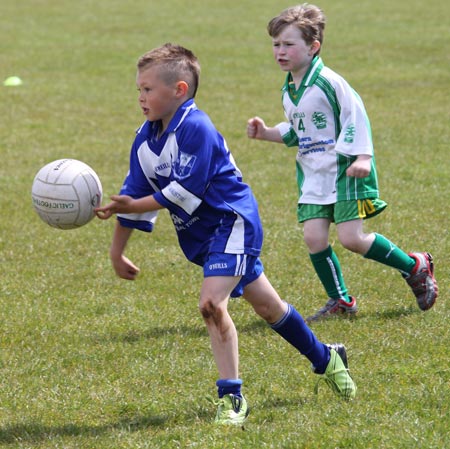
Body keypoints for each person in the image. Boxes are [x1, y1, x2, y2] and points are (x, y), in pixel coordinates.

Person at [95, 43, 356, 426]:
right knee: (268, 307)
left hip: (232, 221)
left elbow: (185, 191)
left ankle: (232, 398)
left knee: (211, 304)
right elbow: (132, 192)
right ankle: (326, 358)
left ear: (179, 90)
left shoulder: (195, 127)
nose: (141, 97)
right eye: (139, 89)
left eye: (148, 89)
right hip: (202, 236)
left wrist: (133, 207)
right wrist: (117, 253)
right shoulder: (145, 140)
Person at [247, 4, 438, 322]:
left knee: (351, 238)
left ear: (313, 46)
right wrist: (266, 132)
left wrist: (363, 156)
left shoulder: (329, 82)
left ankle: (414, 266)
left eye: (288, 44)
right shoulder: (289, 89)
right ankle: (341, 301)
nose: (280, 51)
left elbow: (356, 115)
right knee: (314, 238)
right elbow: (299, 132)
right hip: (313, 173)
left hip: (346, 168)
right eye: (276, 44)